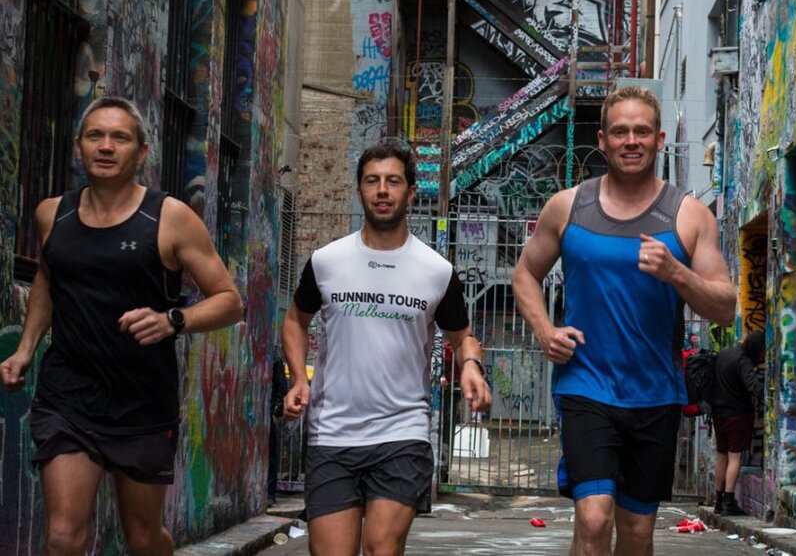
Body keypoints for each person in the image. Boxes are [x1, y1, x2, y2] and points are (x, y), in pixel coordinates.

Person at [0, 96, 243, 556]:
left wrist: (172, 320)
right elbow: (49, 278)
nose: (106, 146)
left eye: (120, 137)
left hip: (142, 400)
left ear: (142, 151)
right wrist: (26, 348)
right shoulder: (52, 214)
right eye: (95, 136)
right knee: (63, 536)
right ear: (79, 147)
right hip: (68, 394)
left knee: (143, 537)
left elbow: (230, 302)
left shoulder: (170, 217)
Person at [512, 85, 736, 555]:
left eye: (641, 131)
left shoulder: (690, 216)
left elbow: (724, 306)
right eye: (619, 132)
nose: (631, 141)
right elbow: (525, 274)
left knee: (636, 531)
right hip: (586, 385)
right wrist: (545, 331)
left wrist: (677, 273)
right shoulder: (568, 206)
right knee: (594, 518)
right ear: (602, 140)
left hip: (655, 393)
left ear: (659, 139)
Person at [281, 144, 492, 556]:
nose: (382, 190)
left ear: (410, 193)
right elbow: (294, 321)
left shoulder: (436, 271)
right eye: (372, 181)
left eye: (393, 181)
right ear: (359, 191)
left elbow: (463, 336)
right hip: (332, 433)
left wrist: (470, 365)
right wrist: (297, 377)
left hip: (402, 432)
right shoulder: (326, 261)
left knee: (382, 547)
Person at [711, 330, 765, 516]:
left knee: (721, 456)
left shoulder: (726, 353)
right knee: (735, 457)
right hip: (737, 416)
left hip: (718, 414)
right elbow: (753, 386)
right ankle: (729, 500)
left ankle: (718, 501)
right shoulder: (743, 361)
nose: (763, 356)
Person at [267, 346, 291, 507]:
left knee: (270, 453)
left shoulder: (274, 356)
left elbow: (281, 389)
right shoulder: (273, 356)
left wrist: (275, 412)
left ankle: (269, 493)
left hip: (267, 415)